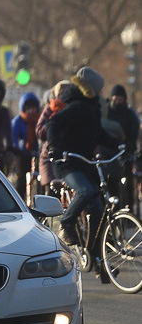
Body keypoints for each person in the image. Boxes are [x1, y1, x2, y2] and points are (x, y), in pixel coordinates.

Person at [46, 67, 119, 260]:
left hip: (83, 163)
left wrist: (120, 145)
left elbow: (98, 134)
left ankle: (95, 254)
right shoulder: (78, 106)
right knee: (86, 191)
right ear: (92, 88)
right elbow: (53, 123)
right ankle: (66, 224)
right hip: (67, 163)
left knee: (98, 210)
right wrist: (54, 146)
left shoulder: (92, 108)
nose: (102, 91)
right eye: (100, 88)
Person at [104, 84, 139, 212]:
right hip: (110, 152)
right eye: (115, 98)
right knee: (110, 181)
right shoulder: (106, 112)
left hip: (126, 151)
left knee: (129, 183)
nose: (118, 101)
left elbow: (134, 131)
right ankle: (114, 209)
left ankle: (130, 209)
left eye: (121, 99)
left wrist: (130, 146)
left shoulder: (129, 113)